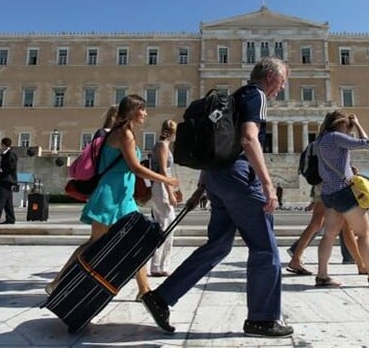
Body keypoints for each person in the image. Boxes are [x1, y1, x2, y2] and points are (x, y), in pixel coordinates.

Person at [140, 57, 293, 337]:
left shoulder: (236, 96)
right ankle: (263, 319)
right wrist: (268, 184)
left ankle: (161, 297)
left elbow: (217, 144)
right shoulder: (257, 95)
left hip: (217, 179)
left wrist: (203, 185)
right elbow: (248, 139)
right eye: (282, 82)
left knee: (218, 246)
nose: (280, 89)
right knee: (264, 247)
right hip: (238, 178)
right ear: (270, 77)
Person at [45, 95, 180, 297]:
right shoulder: (124, 134)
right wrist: (166, 180)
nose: (145, 113)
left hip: (122, 196)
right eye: (142, 109)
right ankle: (58, 281)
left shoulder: (123, 132)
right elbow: (135, 167)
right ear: (134, 111)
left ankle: (144, 291)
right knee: (94, 242)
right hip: (110, 195)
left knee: (135, 241)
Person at [315, 110, 369, 288]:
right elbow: (365, 142)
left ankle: (322, 275)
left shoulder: (319, 140)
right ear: (340, 123)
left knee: (328, 235)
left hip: (328, 193)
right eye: (347, 127)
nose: (348, 131)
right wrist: (358, 124)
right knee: (364, 233)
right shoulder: (336, 137)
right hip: (344, 192)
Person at [149, 119, 182, 278]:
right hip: (161, 186)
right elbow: (162, 170)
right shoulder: (162, 145)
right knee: (165, 225)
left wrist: (174, 190)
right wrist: (169, 193)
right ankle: (157, 266)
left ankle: (161, 265)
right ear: (172, 132)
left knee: (168, 225)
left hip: (164, 184)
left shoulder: (166, 145)